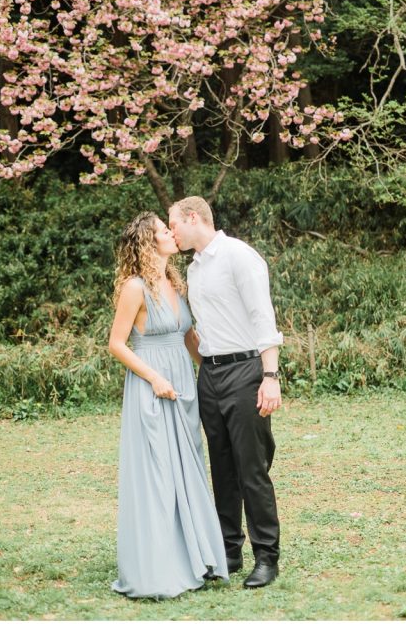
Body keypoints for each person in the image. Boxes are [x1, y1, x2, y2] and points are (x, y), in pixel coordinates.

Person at [108, 212, 228, 599]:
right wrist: (155, 379)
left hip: (185, 387)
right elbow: (117, 344)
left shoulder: (176, 282)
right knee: (158, 474)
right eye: (164, 230)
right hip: (152, 387)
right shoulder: (135, 288)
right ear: (148, 242)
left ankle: (196, 555)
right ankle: (158, 566)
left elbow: (188, 337)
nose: (171, 233)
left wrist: (211, 372)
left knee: (188, 468)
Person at [168, 196, 284, 589]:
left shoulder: (239, 256)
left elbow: (262, 317)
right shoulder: (196, 269)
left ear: (192, 217)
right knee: (221, 467)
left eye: (173, 225)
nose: (172, 233)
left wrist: (270, 376)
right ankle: (229, 550)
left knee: (252, 468)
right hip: (211, 375)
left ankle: (267, 556)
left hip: (247, 371)